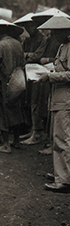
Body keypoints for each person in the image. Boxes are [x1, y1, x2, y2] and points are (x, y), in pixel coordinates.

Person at [35, 16, 70, 193]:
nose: (54, 36)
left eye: (57, 32)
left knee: (62, 139)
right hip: (58, 97)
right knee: (58, 136)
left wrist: (50, 76)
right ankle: (62, 173)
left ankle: (64, 179)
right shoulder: (63, 46)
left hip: (66, 99)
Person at [0, 20, 27, 153]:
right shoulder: (18, 44)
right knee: (15, 110)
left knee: (1, 111)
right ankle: (17, 141)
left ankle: (6, 144)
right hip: (17, 81)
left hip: (1, 83)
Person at [13, 13, 48, 146]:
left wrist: (27, 56)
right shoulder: (27, 40)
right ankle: (33, 128)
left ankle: (38, 132)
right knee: (27, 100)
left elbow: (38, 56)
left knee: (36, 102)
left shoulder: (43, 38)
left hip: (39, 73)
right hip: (27, 72)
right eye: (27, 27)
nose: (29, 29)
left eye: (31, 26)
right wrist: (28, 56)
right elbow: (21, 55)